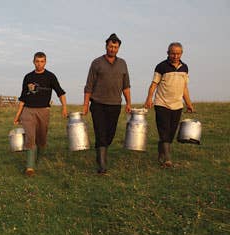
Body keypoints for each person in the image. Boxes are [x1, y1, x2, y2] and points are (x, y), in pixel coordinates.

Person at [83, 33, 132, 174]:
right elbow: (89, 85)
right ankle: (102, 164)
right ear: (106, 46)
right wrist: (86, 105)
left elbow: (126, 85)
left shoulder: (122, 64)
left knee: (110, 134)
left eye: (115, 47)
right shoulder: (96, 63)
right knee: (100, 132)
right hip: (98, 104)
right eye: (110, 46)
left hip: (115, 104)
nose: (112, 49)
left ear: (118, 48)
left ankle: (102, 153)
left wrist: (128, 102)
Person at [13, 52, 68, 176]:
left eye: (42, 61)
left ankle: (38, 159)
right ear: (33, 62)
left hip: (44, 111)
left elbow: (60, 93)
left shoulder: (50, 76)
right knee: (30, 137)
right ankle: (30, 168)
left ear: (45, 62)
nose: (39, 64)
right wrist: (17, 115)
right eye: (37, 61)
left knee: (41, 139)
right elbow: (22, 98)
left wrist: (64, 107)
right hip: (28, 111)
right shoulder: (28, 77)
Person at [144, 42, 195, 167]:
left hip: (177, 105)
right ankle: (167, 159)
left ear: (181, 54)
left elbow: (184, 88)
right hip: (162, 104)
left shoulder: (185, 68)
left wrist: (189, 104)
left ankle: (161, 151)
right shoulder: (161, 67)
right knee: (164, 131)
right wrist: (149, 99)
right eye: (173, 53)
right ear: (168, 53)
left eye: (178, 53)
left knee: (171, 133)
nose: (175, 56)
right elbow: (154, 84)